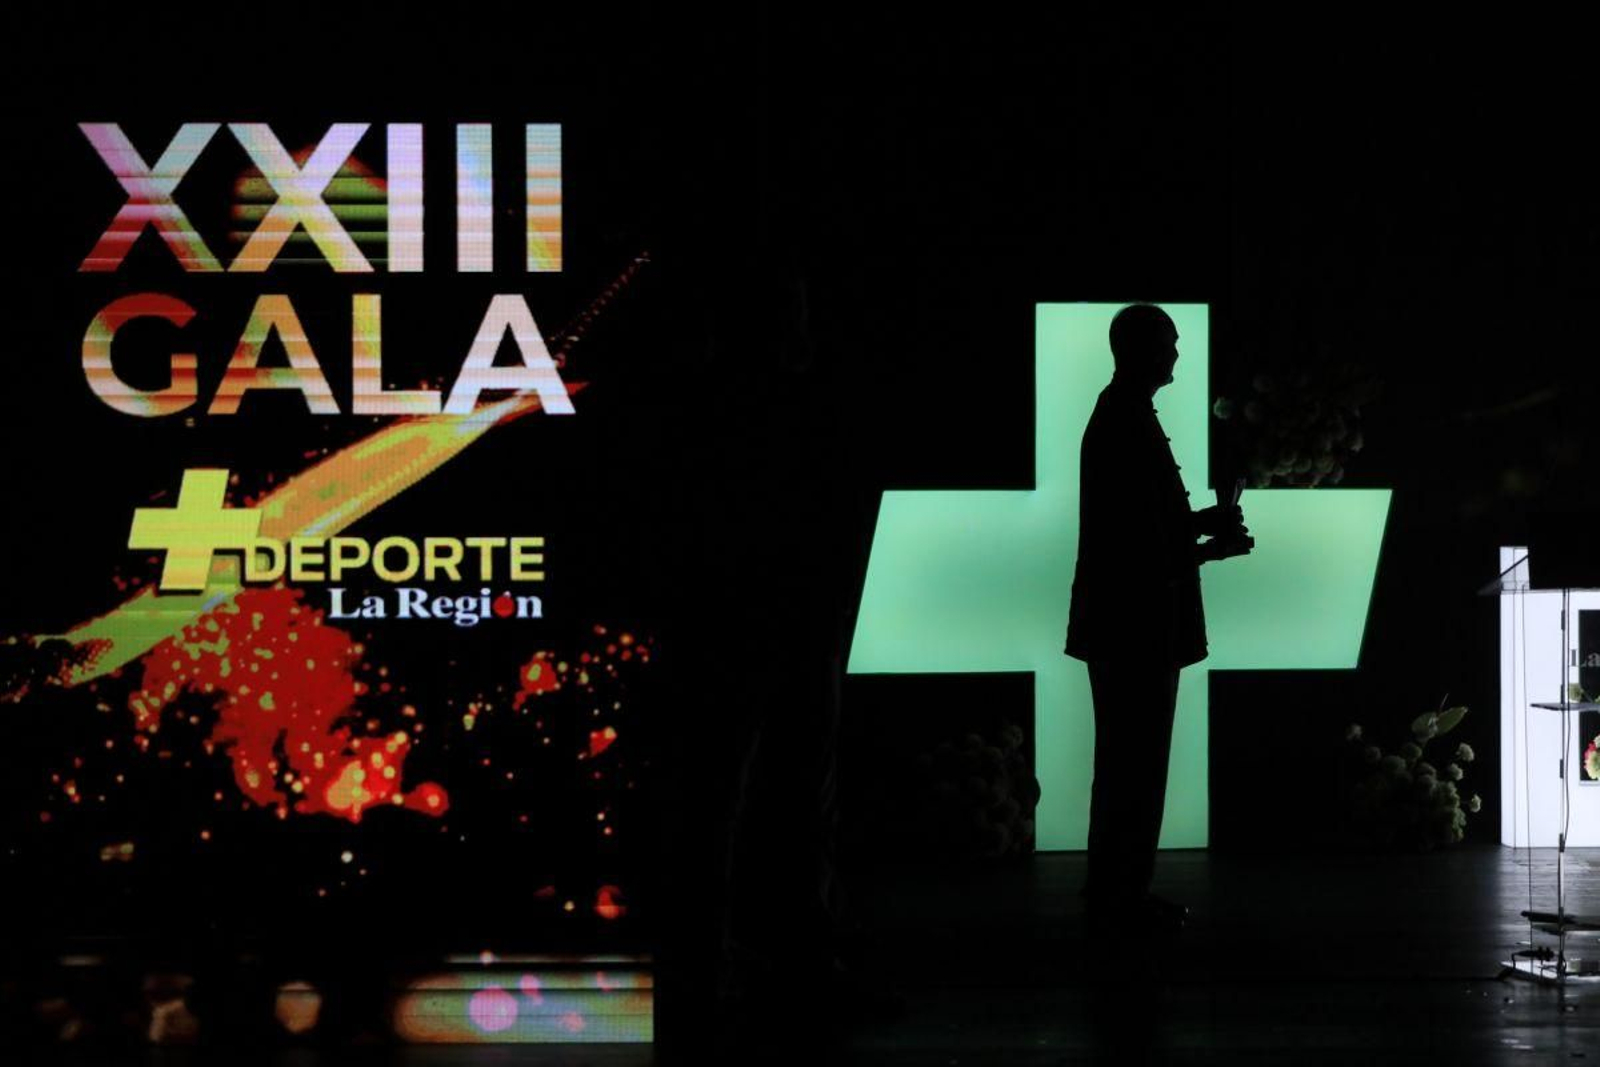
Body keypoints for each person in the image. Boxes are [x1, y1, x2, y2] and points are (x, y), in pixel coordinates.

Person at [1063, 303, 1253, 929]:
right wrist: (1209, 543)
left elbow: (1140, 528)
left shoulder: (1121, 414)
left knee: (1127, 764)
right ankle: (1121, 896)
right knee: (1134, 768)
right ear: (1143, 351)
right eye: (1168, 344)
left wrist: (1201, 532)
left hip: (1127, 623)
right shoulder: (1126, 419)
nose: (1176, 355)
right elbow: (1139, 544)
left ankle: (1117, 892)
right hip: (1136, 627)